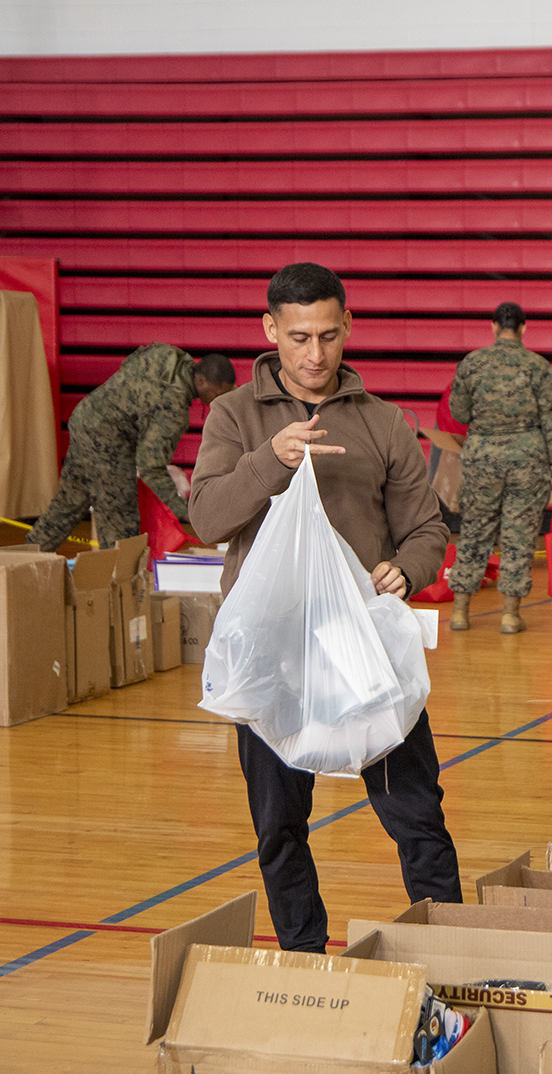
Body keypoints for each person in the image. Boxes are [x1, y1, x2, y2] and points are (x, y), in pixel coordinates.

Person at [187, 262, 462, 952]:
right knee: (279, 827)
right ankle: (304, 961)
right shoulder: (233, 416)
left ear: (349, 328)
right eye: (300, 336)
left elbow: (427, 529)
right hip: (272, 653)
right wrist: (269, 462)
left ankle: (453, 957)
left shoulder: (385, 424)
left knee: (416, 815)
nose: (315, 355)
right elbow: (206, 518)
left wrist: (408, 568)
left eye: (330, 336)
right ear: (270, 330)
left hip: (362, 649)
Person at [26, 344, 235, 550]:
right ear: (201, 381)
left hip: (86, 418)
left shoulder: (166, 354)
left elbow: (129, 363)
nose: (218, 400)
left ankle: (24, 557)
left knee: (70, 501)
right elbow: (150, 467)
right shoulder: (173, 409)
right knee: (120, 520)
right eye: (218, 393)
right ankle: (118, 580)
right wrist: (184, 511)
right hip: (109, 440)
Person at [446, 302, 552, 634]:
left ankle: (460, 612)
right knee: (519, 535)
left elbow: (458, 412)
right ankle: (510, 616)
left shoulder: (473, 363)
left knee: (474, 530)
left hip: (481, 455)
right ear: (524, 328)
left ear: (493, 326)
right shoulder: (539, 366)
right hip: (527, 458)